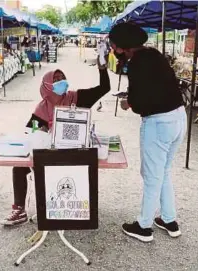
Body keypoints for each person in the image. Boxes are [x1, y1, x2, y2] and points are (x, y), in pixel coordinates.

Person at [0, 58, 110, 226]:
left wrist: (102, 70)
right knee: (19, 167)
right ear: (47, 86)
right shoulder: (41, 109)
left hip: (75, 152)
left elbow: (104, 88)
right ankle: (19, 209)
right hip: (52, 154)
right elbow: (33, 132)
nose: (61, 82)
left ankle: (76, 206)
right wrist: (43, 132)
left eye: (62, 78)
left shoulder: (77, 97)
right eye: (56, 79)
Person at [109, 23, 186, 242]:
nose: (113, 48)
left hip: (158, 123)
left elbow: (140, 102)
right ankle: (169, 220)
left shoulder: (136, 64)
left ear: (123, 47)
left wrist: (128, 103)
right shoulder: (155, 55)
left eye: (114, 44)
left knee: (152, 175)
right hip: (179, 117)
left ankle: (144, 226)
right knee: (164, 171)